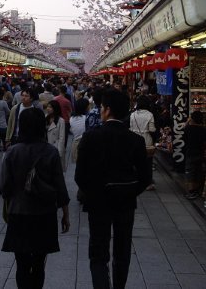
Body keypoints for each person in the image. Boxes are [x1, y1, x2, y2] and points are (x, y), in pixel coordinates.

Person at [75, 89, 149, 289]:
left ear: (107, 110)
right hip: (125, 204)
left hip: (98, 204)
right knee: (122, 250)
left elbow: (79, 176)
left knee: (98, 252)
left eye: (101, 107)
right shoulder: (136, 141)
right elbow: (145, 178)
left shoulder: (90, 138)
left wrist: (94, 193)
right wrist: (128, 192)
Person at [0, 108, 70, 289]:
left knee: (21, 263)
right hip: (44, 213)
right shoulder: (51, 152)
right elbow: (60, 188)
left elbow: (4, 187)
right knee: (39, 263)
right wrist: (65, 215)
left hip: (19, 212)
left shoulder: (12, 152)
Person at [129, 95, 156, 191]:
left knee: (135, 161)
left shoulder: (133, 115)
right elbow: (152, 130)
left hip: (134, 140)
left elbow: (131, 129)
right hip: (147, 140)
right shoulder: (150, 115)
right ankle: (148, 183)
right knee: (148, 162)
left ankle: (136, 179)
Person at [183, 111, 206, 200]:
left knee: (190, 172)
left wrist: (187, 121)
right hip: (200, 153)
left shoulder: (188, 128)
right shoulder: (203, 130)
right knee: (198, 171)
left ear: (192, 118)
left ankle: (191, 192)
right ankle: (197, 191)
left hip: (190, 153)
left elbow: (183, 134)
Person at [46, 100, 67, 169]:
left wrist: (59, 152)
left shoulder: (61, 121)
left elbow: (62, 138)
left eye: (50, 107)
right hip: (46, 147)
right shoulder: (45, 118)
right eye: (47, 107)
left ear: (55, 108)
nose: (48, 109)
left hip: (56, 148)